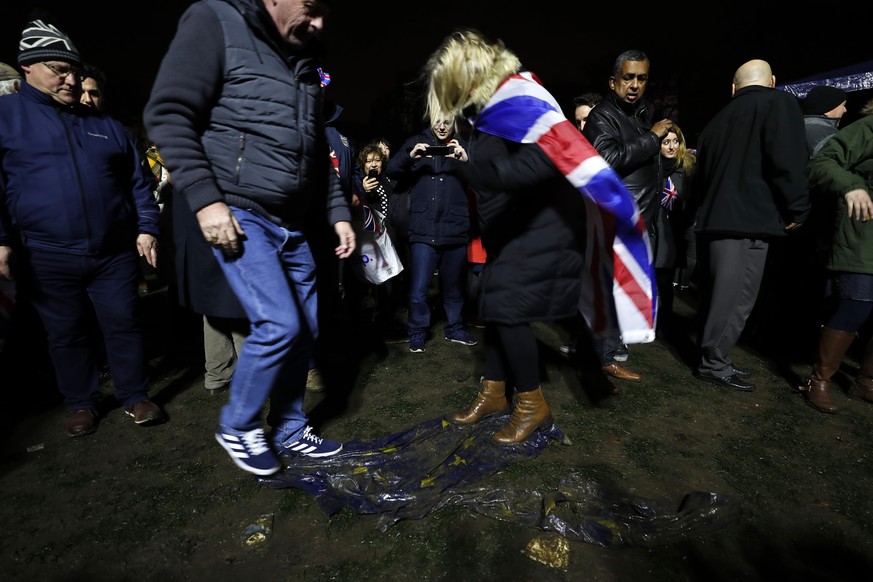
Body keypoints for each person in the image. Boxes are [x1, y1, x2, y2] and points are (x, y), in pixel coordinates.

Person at [144, 0, 354, 476]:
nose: (320, 23)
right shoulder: (216, 20)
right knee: (278, 324)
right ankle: (237, 425)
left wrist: (338, 212)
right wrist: (206, 199)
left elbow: (315, 149)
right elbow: (168, 112)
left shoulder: (305, 63)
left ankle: (288, 427)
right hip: (241, 213)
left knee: (307, 330)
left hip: (294, 223)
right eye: (313, 8)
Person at [423, 29, 654, 444]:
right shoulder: (488, 108)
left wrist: (469, 171)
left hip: (542, 225)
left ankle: (531, 403)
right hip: (509, 225)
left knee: (506, 306)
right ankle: (494, 392)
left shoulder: (518, 100)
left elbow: (539, 164)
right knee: (494, 305)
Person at [0, 18, 164, 437]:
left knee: (124, 323)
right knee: (65, 333)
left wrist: (146, 227)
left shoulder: (106, 126)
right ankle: (81, 403)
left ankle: (134, 396)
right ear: (28, 68)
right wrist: (1, 241)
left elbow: (138, 182)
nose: (72, 79)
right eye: (60, 69)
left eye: (74, 70)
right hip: (46, 253)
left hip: (113, 253)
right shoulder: (6, 118)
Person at [691, 59, 810, 391]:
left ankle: (715, 359)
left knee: (717, 298)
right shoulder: (778, 102)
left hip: (714, 221)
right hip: (746, 223)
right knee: (736, 299)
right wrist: (798, 209)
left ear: (733, 88)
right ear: (773, 81)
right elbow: (789, 160)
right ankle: (714, 363)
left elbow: (701, 178)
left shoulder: (717, 119)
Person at [581, 49, 672, 382]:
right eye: (628, 77)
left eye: (642, 78)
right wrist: (652, 138)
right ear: (613, 81)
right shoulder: (602, 116)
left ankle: (609, 349)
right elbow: (607, 158)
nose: (634, 84)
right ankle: (603, 358)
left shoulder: (639, 113)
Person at [800, 111, 873, 413]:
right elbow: (822, 163)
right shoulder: (869, 127)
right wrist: (850, 185)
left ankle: (866, 382)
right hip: (864, 235)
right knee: (856, 304)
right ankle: (819, 382)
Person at [386, 114, 476, 352]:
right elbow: (391, 170)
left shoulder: (463, 143)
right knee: (419, 288)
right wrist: (409, 155)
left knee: (455, 286)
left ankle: (455, 328)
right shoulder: (417, 142)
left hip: (455, 227)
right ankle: (417, 331)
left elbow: (483, 177)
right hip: (423, 228)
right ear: (431, 122)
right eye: (438, 121)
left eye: (447, 122)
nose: (442, 126)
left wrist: (466, 158)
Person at [655, 122, 696, 329]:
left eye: (675, 141)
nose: (671, 147)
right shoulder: (652, 166)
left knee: (666, 281)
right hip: (655, 230)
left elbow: (693, 199)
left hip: (675, 231)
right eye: (666, 142)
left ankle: (665, 320)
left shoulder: (687, 167)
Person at [801, 85, 848, 157]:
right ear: (828, 109)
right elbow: (835, 165)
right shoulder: (826, 135)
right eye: (843, 105)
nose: (845, 110)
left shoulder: (797, 126)